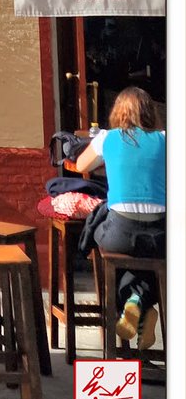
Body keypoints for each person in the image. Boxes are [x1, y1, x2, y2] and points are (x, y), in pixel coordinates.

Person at [75, 86, 165, 350]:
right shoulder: (165, 139)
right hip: (159, 233)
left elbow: (81, 166)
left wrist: (111, 163)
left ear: (119, 112)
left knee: (101, 242)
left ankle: (131, 302)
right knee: (157, 262)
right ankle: (141, 305)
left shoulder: (108, 138)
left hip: (120, 232)